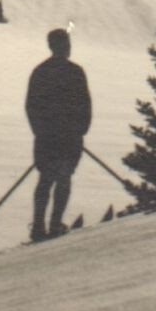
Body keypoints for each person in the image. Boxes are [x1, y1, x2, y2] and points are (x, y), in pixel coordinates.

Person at [25, 28, 91, 242]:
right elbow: (85, 106)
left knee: (47, 180)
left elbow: (31, 107)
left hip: (48, 138)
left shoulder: (40, 71)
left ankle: (39, 226)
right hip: (67, 138)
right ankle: (53, 225)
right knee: (62, 179)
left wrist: (40, 131)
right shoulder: (75, 71)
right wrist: (79, 130)